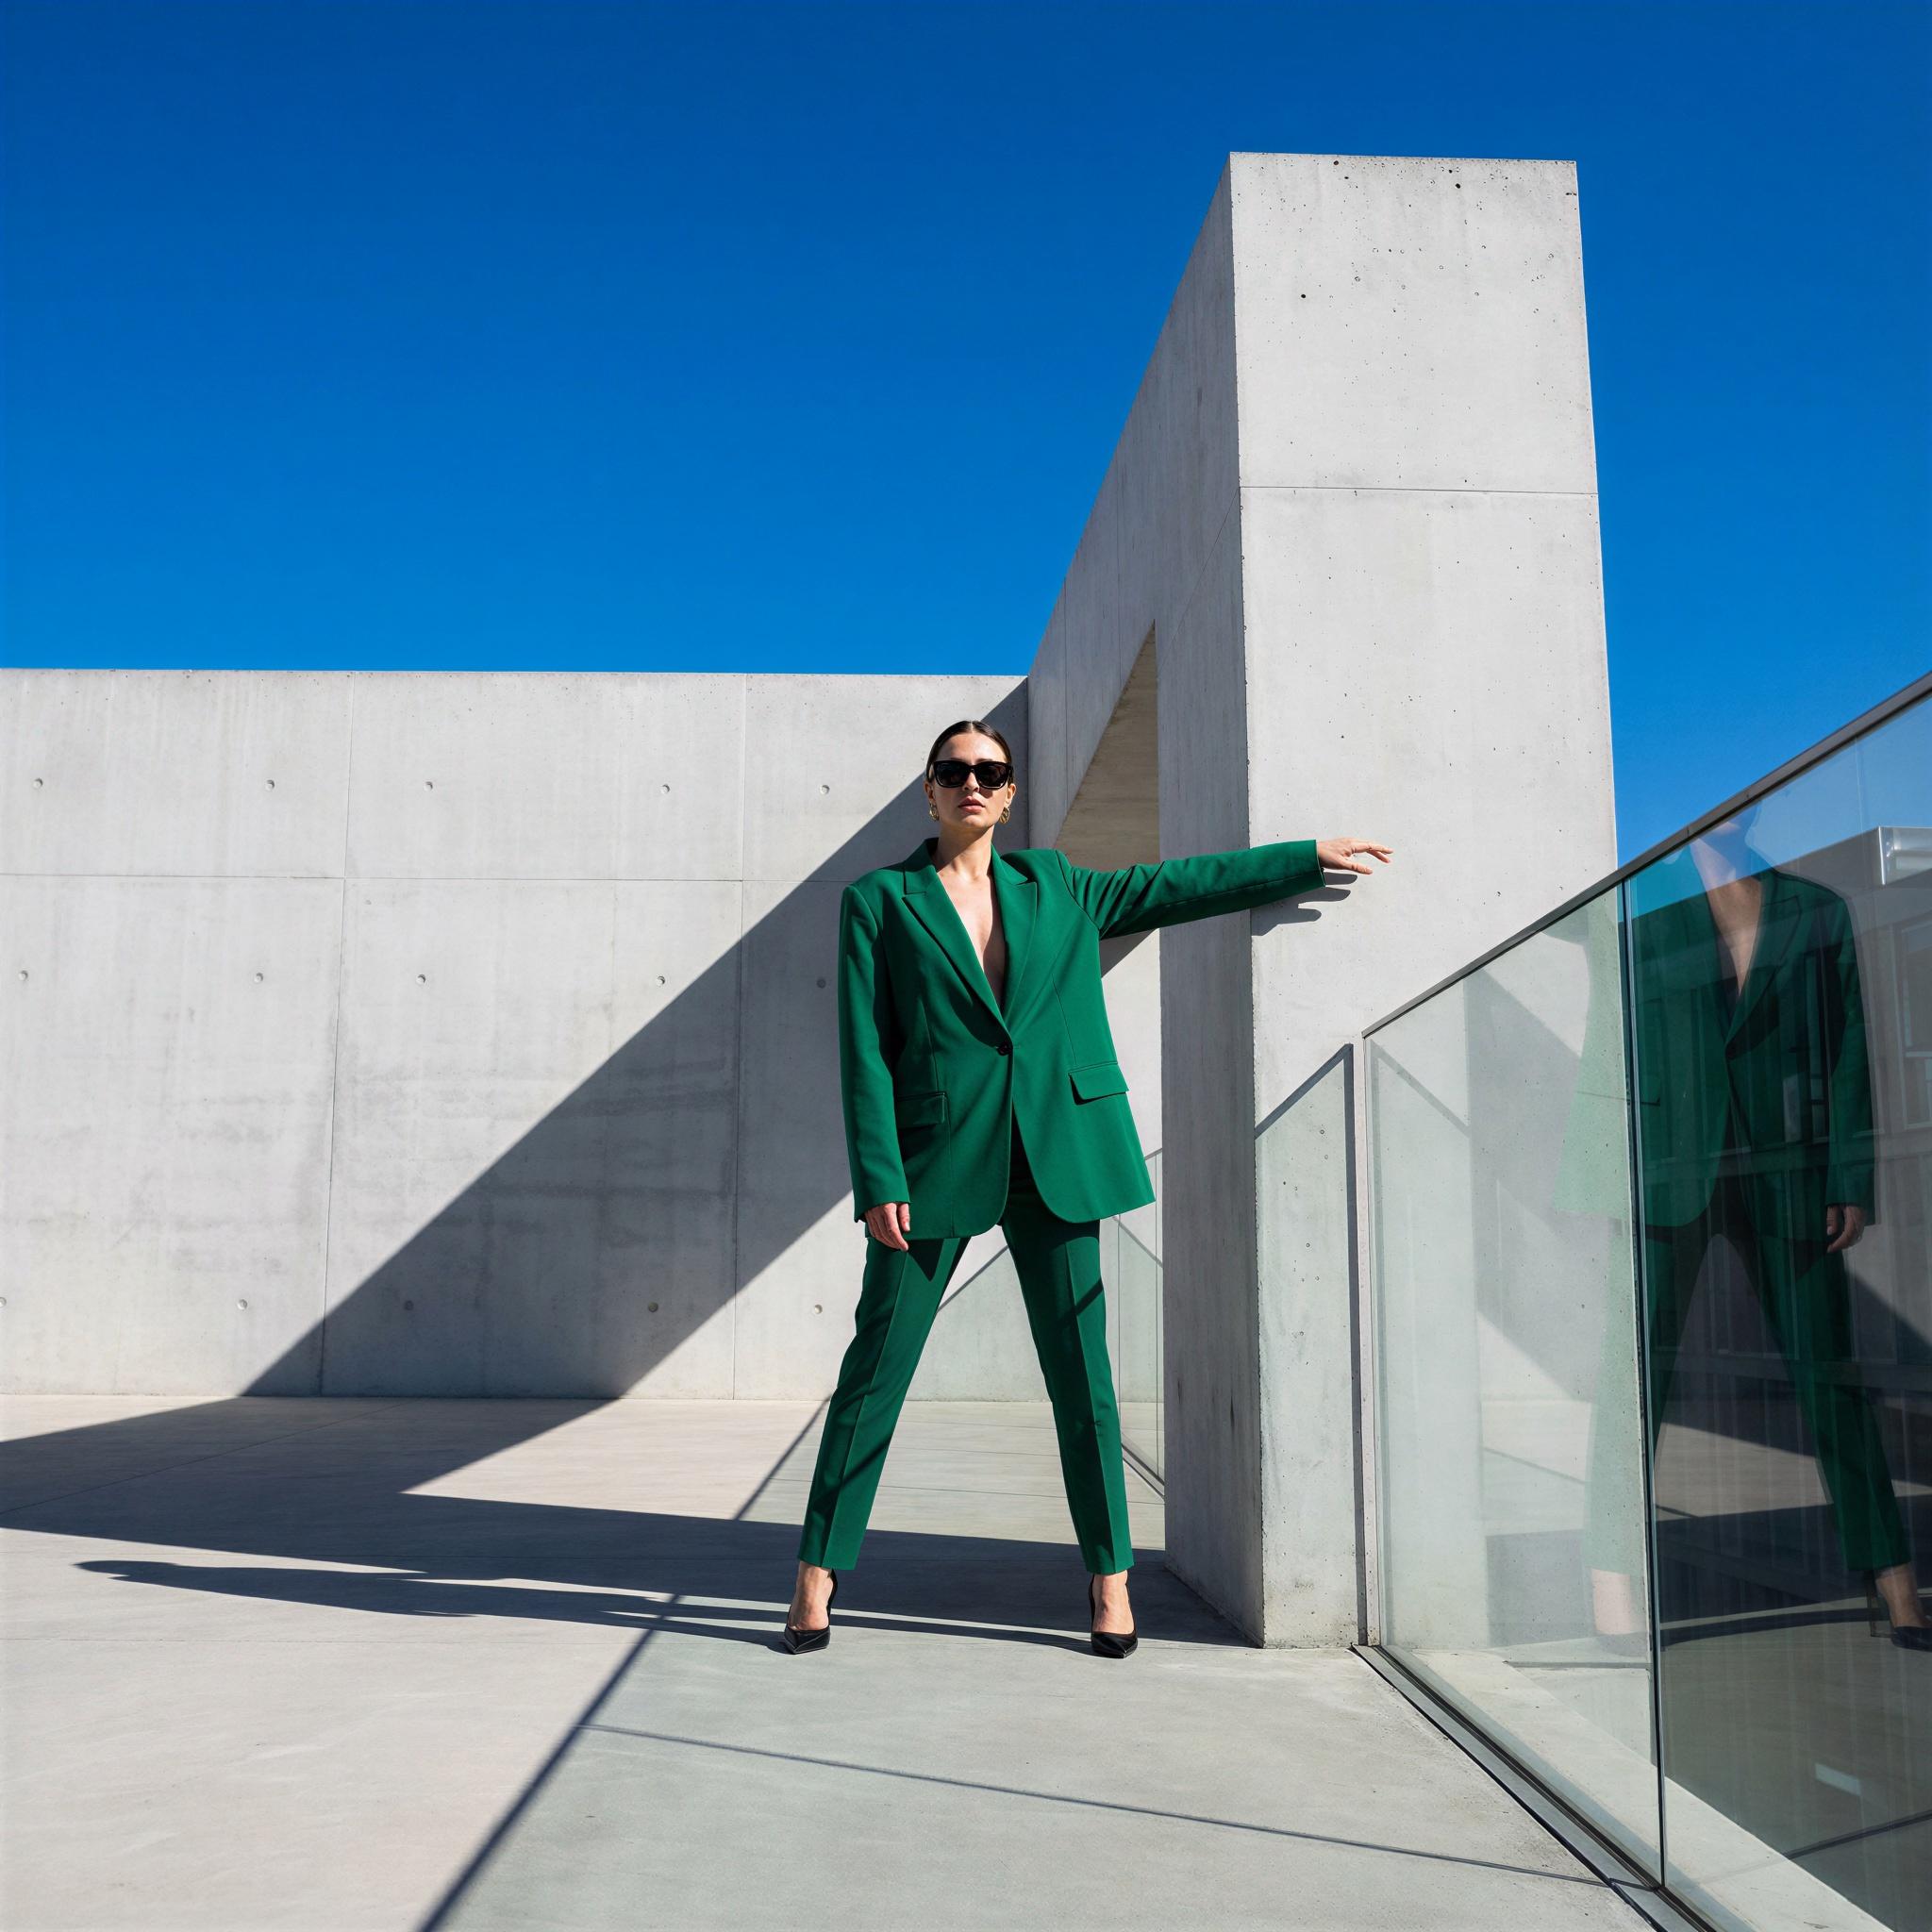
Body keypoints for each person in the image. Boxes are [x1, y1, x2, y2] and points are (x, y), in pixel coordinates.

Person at [781, 718, 1393, 1655]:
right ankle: (817, 1572)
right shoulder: (878, 900)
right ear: (929, 791)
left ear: (1010, 789)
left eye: (988, 769)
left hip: (1056, 1153)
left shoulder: (1055, 883)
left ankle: (1108, 1578)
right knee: (874, 1369)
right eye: (952, 770)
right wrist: (876, 1173)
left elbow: (1174, 886)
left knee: (1084, 1380)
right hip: (933, 1159)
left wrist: (1303, 855)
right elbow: (863, 1047)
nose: (970, 782)